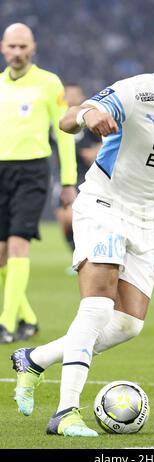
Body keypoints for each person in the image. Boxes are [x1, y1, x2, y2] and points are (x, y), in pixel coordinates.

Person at [11, 27, 154, 437]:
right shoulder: (132, 93)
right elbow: (68, 119)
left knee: (127, 325)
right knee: (98, 307)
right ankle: (65, 412)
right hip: (103, 205)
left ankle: (34, 360)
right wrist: (87, 114)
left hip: (144, 218)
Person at [0, 23, 77, 343]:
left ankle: (5, 324)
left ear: (33, 48)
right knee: (2, 254)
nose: (17, 52)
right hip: (1, 172)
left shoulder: (49, 83)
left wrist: (69, 180)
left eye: (23, 47)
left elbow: (64, 133)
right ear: (3, 48)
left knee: (18, 243)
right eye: (12, 47)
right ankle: (28, 319)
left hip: (32, 172)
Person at [53, 83, 101, 256]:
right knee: (63, 220)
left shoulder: (88, 120)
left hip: (85, 175)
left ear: (82, 97)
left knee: (73, 216)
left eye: (75, 94)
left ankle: (86, 254)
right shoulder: (56, 120)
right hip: (63, 175)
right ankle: (78, 256)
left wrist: (95, 151)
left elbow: (107, 140)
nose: (72, 98)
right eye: (68, 95)